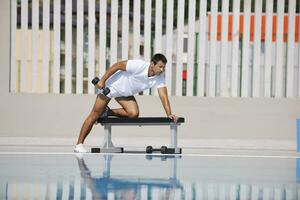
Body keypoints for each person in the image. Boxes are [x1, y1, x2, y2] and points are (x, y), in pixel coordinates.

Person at [74, 53, 178, 153]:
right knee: (94, 115)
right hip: (111, 87)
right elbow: (117, 65)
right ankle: (79, 144)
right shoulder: (138, 65)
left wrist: (169, 114)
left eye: (163, 67)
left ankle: (107, 111)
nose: (162, 70)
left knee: (133, 114)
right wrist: (102, 80)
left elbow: (163, 96)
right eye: (160, 67)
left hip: (125, 93)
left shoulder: (159, 78)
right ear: (152, 64)